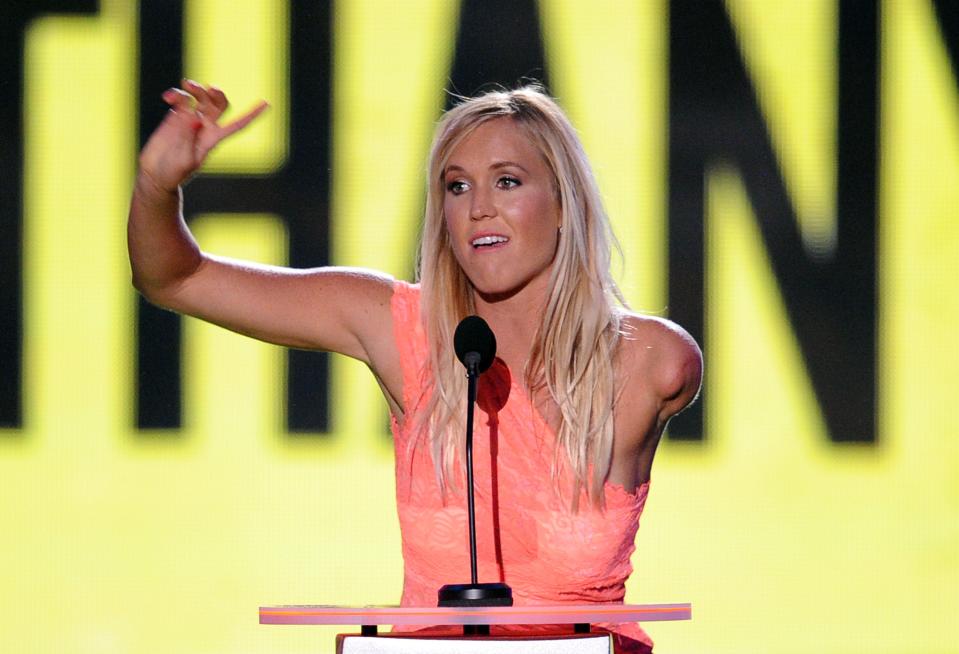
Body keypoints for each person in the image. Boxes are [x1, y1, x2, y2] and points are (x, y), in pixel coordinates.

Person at [129, 80, 702, 653]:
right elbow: (175, 278)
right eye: (457, 187)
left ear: (564, 203)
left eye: (507, 181)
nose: (479, 208)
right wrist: (157, 184)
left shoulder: (648, 362)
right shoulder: (402, 329)